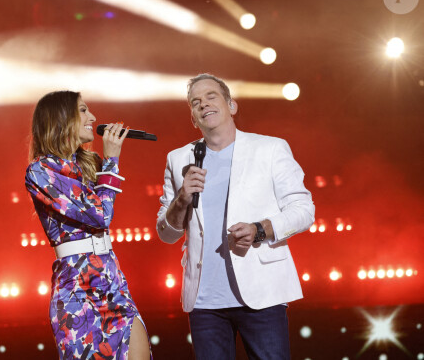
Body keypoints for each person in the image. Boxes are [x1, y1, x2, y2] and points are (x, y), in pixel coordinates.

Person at [156, 74, 315, 359]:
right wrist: (181, 200)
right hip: (204, 303)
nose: (203, 104)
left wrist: (260, 229)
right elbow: (166, 233)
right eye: (195, 102)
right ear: (193, 118)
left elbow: (303, 210)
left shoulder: (269, 149)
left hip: (261, 294)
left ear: (232, 105)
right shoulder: (178, 159)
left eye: (211, 96)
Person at [25, 91, 151, 360]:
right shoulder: (40, 171)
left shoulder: (91, 164)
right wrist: (112, 159)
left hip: (112, 282)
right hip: (77, 290)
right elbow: (100, 215)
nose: (92, 117)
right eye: (83, 110)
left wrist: (106, 163)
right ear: (61, 118)